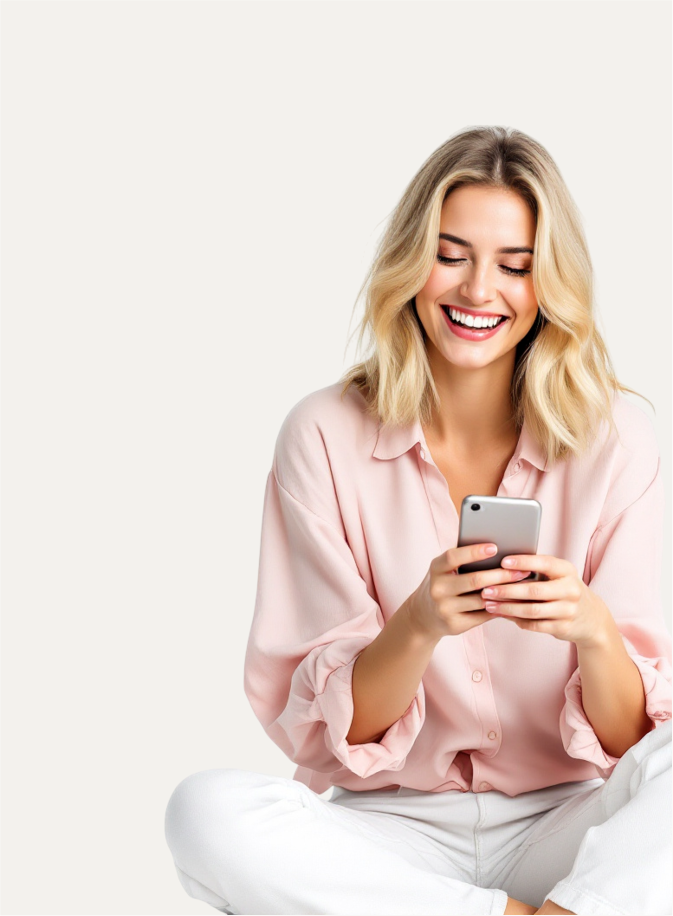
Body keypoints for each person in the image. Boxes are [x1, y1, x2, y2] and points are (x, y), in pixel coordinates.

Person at [164, 126, 673, 915]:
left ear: (549, 284)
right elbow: (338, 735)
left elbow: (631, 745)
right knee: (205, 812)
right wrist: (419, 623)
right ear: (410, 262)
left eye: (514, 266)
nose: (477, 292)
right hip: (388, 837)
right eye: (450, 253)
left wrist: (594, 632)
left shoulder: (617, 439)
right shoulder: (323, 434)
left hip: (569, 824)